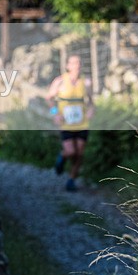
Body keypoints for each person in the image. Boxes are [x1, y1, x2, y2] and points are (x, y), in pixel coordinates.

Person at [45, 55, 95, 191]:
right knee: (71, 151)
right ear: (68, 66)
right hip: (66, 123)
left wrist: (91, 110)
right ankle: (62, 157)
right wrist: (55, 113)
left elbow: (91, 102)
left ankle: (71, 180)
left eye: (78, 63)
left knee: (79, 153)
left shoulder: (86, 82)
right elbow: (49, 98)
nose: (76, 66)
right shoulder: (60, 81)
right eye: (73, 63)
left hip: (82, 123)